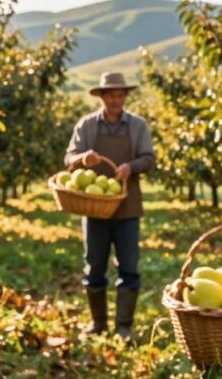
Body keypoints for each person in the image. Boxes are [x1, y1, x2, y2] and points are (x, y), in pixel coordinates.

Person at [64, 72, 156, 340]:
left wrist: (131, 166)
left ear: (125, 97)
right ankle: (98, 324)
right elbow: (69, 157)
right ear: (102, 97)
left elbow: (149, 158)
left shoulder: (137, 125)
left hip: (127, 207)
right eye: (110, 95)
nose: (115, 100)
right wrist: (83, 159)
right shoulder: (87, 125)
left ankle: (124, 326)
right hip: (94, 207)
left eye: (120, 95)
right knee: (94, 267)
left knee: (129, 267)